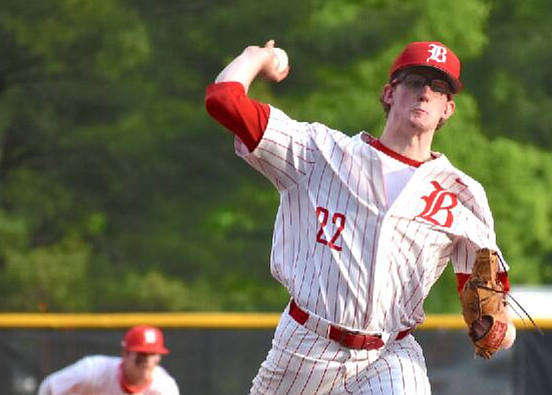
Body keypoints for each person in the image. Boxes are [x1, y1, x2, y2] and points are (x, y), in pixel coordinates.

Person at [205, 39, 516, 395]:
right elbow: (223, 101)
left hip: (390, 354)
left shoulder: (462, 193)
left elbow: (491, 303)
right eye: (415, 81)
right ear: (388, 93)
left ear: (448, 109)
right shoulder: (320, 153)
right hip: (306, 345)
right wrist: (255, 57)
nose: (425, 93)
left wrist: (496, 329)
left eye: (439, 88)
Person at [37, 325, 180, 395]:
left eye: (153, 354)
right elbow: (50, 387)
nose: (148, 361)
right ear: (125, 353)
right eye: (141, 355)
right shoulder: (93, 371)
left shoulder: (164, 387)